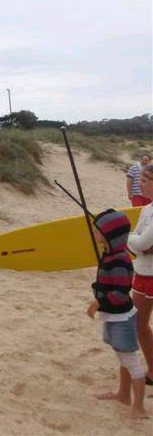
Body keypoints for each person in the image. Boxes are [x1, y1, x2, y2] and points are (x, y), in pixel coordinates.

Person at [87, 209, 147, 419]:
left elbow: (121, 293)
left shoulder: (119, 260)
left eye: (98, 230)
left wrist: (99, 302)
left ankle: (139, 407)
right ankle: (123, 395)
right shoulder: (110, 255)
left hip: (121, 318)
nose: (94, 233)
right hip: (112, 316)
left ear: (110, 235)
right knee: (122, 356)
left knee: (131, 362)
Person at [127, 164, 153, 387]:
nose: (140, 184)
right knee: (139, 323)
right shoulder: (146, 209)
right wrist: (137, 241)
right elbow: (137, 242)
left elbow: (142, 242)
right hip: (142, 272)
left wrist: (136, 241)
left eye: (145, 180)